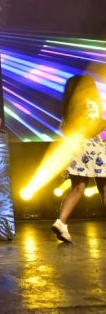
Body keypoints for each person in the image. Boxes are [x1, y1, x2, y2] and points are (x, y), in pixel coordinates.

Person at [52, 75, 106, 242]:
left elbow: (67, 129)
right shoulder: (91, 102)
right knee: (105, 188)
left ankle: (61, 222)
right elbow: (95, 126)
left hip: (76, 146)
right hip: (96, 146)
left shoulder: (69, 106)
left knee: (77, 188)